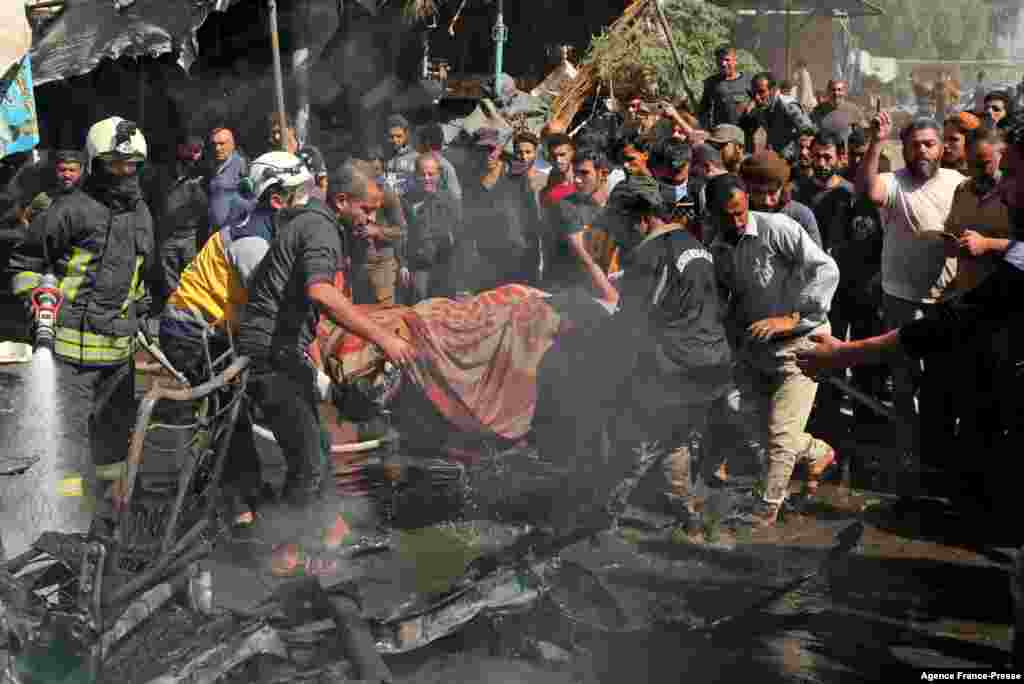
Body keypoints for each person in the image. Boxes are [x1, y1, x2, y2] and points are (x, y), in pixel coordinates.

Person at [235, 161, 417, 553]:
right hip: (270, 354)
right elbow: (321, 293)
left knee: (317, 447)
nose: (370, 219)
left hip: (283, 350)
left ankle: (320, 537)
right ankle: (280, 553)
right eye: (366, 210)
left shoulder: (314, 222)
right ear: (341, 200)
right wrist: (385, 338)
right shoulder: (320, 229)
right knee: (308, 465)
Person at [8, 117, 153, 546]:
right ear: (95, 163)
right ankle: (66, 524)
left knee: (113, 453)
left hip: (119, 358)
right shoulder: (68, 210)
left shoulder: (143, 213)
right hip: (69, 360)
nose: (126, 173)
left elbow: (144, 276)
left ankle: (106, 528)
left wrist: (146, 310)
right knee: (70, 451)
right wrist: (36, 299)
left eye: (133, 165)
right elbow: (26, 262)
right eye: (115, 164)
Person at [160, 151, 313, 527]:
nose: (307, 201)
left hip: (213, 327)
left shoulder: (264, 228)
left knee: (234, 413)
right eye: (300, 193)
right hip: (191, 331)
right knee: (228, 416)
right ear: (277, 199)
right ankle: (237, 506)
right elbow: (271, 306)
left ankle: (241, 494)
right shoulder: (253, 244)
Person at [709, 177, 839, 526]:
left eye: (740, 212)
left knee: (781, 434)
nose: (736, 222)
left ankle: (767, 509)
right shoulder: (718, 249)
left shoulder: (778, 229)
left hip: (804, 341)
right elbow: (727, 299)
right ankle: (819, 453)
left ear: (747, 203)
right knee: (754, 421)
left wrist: (793, 316)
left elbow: (827, 269)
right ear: (713, 215)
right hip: (759, 346)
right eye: (727, 216)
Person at [612, 185, 733, 526]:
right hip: (712, 362)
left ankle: (599, 516)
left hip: (675, 366)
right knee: (676, 435)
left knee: (636, 438)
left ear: (644, 220)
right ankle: (687, 512)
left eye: (623, 223)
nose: (619, 232)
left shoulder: (648, 255)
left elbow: (632, 321)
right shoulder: (695, 245)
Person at [855, 111, 966, 466]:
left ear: (942, 149)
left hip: (948, 297)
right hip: (901, 297)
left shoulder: (957, 183)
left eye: (929, 145)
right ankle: (907, 452)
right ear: (903, 150)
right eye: (914, 145)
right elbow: (866, 189)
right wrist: (875, 141)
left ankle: (939, 451)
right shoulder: (893, 182)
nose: (923, 152)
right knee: (904, 379)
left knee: (944, 379)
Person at [547, 147, 619, 303]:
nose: (577, 180)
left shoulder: (617, 206)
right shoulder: (566, 206)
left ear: (603, 174)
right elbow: (586, 259)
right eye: (576, 173)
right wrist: (613, 297)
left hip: (606, 284)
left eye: (584, 173)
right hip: (570, 291)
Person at [151, 136, 208, 312]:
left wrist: (196, 188)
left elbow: (205, 205)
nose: (192, 155)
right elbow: (156, 198)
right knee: (169, 277)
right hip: (167, 235)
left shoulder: (204, 173)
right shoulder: (164, 171)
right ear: (180, 148)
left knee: (192, 276)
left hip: (190, 235)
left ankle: (191, 310)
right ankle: (174, 311)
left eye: (197, 151)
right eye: (189, 150)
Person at [400, 153, 460, 302]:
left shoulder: (449, 200)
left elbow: (459, 233)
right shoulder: (406, 201)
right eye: (422, 174)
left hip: (443, 266)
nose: (427, 178)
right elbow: (401, 234)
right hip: (419, 266)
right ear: (415, 175)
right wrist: (403, 264)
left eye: (431, 174)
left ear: (439, 175)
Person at [739, 150, 822, 248]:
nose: (766, 200)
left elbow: (816, 259)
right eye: (758, 192)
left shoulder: (800, 216)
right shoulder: (740, 215)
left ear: (782, 188)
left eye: (772, 192)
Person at [743, 72, 815, 160]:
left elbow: (809, 131)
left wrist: (801, 152)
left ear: (773, 90)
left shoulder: (787, 105)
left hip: (792, 160)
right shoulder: (761, 107)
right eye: (754, 93)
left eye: (761, 92)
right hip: (775, 158)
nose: (757, 97)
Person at [207, 127, 252, 243]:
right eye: (214, 144)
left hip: (231, 235)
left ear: (232, 144)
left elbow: (251, 200)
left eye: (222, 144)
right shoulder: (213, 164)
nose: (217, 148)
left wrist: (233, 223)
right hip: (214, 233)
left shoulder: (241, 164)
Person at [699, 45, 753, 130]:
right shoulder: (711, 83)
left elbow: (760, 103)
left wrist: (751, 106)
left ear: (735, 61)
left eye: (727, 60)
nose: (723, 64)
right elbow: (703, 111)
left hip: (745, 133)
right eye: (720, 60)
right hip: (722, 135)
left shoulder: (749, 81)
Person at [414, 122, 462, 204]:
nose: (415, 144)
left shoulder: (442, 166)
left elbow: (455, 199)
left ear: (427, 143)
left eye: (418, 140)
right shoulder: (447, 166)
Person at [383, 114, 417, 196]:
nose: (395, 140)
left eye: (399, 136)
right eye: (391, 136)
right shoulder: (387, 158)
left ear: (406, 135)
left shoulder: (416, 158)